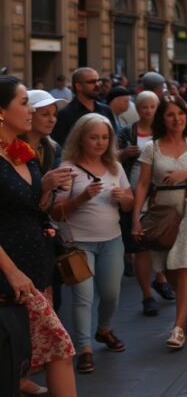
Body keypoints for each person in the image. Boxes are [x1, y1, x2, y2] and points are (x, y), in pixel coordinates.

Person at [0, 76, 77, 397]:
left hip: (36, 269)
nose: (30, 110)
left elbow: (35, 207)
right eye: (23, 103)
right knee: (57, 346)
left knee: (40, 351)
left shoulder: (21, 152)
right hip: (9, 275)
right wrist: (12, 272)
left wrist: (47, 187)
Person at [130, 96, 187, 350]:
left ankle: (177, 327)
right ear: (162, 119)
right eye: (170, 115)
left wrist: (186, 173)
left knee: (185, 262)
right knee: (167, 264)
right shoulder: (152, 148)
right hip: (162, 209)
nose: (176, 119)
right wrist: (136, 218)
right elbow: (143, 184)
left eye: (180, 113)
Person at [51, 115, 133, 374]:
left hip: (112, 240)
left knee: (111, 294)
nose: (100, 142)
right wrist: (81, 199)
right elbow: (55, 211)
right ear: (80, 139)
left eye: (105, 137)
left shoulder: (115, 167)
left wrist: (124, 199)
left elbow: (129, 202)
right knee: (83, 297)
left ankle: (104, 329)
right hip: (79, 245)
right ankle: (84, 349)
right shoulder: (68, 168)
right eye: (94, 137)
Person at [117, 91, 174, 317]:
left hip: (162, 192)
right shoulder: (127, 132)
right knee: (140, 246)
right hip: (135, 193)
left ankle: (160, 279)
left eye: (152, 107)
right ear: (137, 109)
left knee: (159, 241)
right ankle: (147, 295)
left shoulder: (166, 131)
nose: (148, 111)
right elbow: (112, 158)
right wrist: (123, 153)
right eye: (144, 107)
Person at [52, 68, 118, 147]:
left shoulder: (106, 110)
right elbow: (61, 147)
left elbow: (113, 141)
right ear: (79, 86)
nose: (97, 85)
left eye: (98, 81)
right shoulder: (64, 115)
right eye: (92, 82)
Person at [24, 91, 66, 174]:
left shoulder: (53, 148)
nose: (52, 120)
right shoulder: (11, 148)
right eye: (45, 114)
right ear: (28, 115)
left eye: (55, 114)